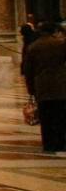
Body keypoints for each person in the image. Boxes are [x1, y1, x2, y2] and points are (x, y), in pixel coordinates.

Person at [23, 21, 66, 154]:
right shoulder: (60, 44)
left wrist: (30, 89)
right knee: (60, 115)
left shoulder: (33, 47)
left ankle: (48, 144)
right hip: (60, 85)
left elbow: (28, 70)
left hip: (41, 86)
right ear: (54, 31)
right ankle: (61, 143)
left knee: (46, 117)